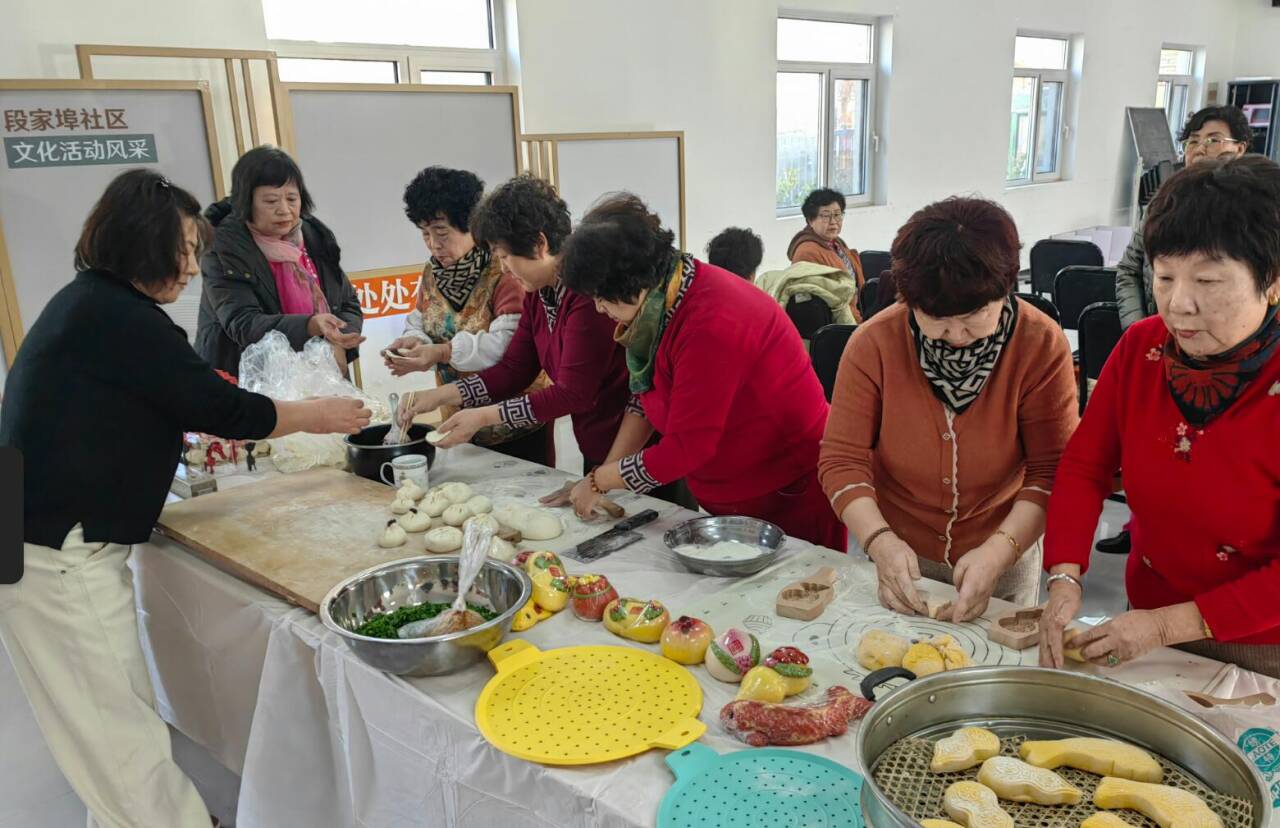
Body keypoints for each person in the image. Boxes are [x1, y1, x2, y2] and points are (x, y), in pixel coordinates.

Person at [0, 170, 371, 827]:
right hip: (55, 548)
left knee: (102, 716)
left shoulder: (91, 303)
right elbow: (222, 408)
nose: (193, 266)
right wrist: (318, 415)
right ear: (142, 244)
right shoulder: (120, 319)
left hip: (36, 531)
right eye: (184, 249)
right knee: (114, 728)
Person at [1040, 156, 1280, 678]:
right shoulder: (1142, 347)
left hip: (1262, 643)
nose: (1178, 305)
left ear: (1273, 282)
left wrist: (1168, 626)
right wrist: (1064, 575)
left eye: (1208, 280)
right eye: (1165, 277)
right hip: (1146, 614)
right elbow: (1085, 466)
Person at [819, 197, 1078, 621]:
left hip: (1003, 551)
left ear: (1006, 289)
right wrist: (879, 540)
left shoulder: (1039, 344)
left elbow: (1052, 469)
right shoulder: (875, 344)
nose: (957, 335)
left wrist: (1000, 551)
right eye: (936, 319)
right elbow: (841, 459)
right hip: (900, 557)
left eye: (975, 315)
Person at [555, 193, 847, 550]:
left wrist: (601, 480)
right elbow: (645, 396)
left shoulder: (710, 322)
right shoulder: (663, 302)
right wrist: (599, 476)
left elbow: (686, 448)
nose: (599, 308)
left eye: (602, 296)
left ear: (632, 281)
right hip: (732, 485)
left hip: (786, 490)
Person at [397, 175, 629, 472]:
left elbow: (573, 393)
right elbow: (514, 369)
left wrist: (484, 416)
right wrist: (439, 396)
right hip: (598, 439)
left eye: (506, 256)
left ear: (539, 243)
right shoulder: (538, 293)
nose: (504, 268)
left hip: (631, 444)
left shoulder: (585, 296)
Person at [1098, 105, 1249, 556]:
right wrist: (1142, 329)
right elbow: (1129, 271)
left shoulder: (1257, 213)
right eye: (1193, 141)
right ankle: (1142, 526)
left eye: (1214, 140)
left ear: (1240, 149)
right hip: (1163, 350)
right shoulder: (1162, 206)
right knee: (1153, 447)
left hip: (1228, 356)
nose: (1201, 149)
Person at [381, 167, 551, 464]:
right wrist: (415, 343)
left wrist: (442, 353)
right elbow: (422, 319)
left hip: (514, 422)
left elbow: (507, 350)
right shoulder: (433, 272)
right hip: (458, 416)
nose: (434, 244)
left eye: (442, 233)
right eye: (425, 234)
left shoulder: (506, 271)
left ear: (472, 226)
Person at [196, 146, 365, 376]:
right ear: (246, 202)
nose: (284, 210)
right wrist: (309, 325)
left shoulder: (314, 237)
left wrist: (340, 338)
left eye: (292, 199)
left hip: (320, 373)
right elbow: (243, 323)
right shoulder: (225, 247)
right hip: (248, 378)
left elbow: (347, 302)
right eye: (271, 201)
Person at [787, 188, 866, 318]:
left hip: (857, 312)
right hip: (840, 320)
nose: (833, 221)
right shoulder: (807, 252)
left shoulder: (836, 243)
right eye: (826, 216)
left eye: (837, 214)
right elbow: (826, 303)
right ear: (810, 220)